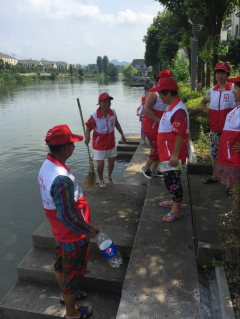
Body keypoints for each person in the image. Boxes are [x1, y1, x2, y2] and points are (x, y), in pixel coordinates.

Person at [38, 124, 101, 319]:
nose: (74, 147)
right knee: (72, 274)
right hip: (72, 235)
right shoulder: (61, 178)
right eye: (72, 144)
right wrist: (87, 230)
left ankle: (66, 296)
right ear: (66, 148)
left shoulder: (48, 165)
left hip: (60, 232)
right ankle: (72, 313)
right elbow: (66, 214)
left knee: (61, 265)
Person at [156, 78, 190, 222]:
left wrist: (175, 155)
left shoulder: (179, 111)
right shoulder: (171, 107)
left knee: (173, 180)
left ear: (168, 92)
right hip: (167, 153)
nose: (159, 97)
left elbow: (180, 135)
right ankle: (173, 201)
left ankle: (176, 209)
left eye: (161, 94)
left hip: (172, 155)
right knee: (168, 179)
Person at [200, 62, 235, 187]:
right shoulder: (212, 90)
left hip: (230, 130)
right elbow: (202, 102)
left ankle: (230, 184)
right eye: (218, 73)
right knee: (214, 154)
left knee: (229, 155)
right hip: (215, 128)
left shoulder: (233, 89)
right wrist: (206, 110)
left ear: (227, 74)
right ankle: (215, 176)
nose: (220, 76)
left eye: (223, 73)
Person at [85, 92, 126, 189]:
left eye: (108, 102)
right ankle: (100, 179)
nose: (107, 104)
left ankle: (109, 175)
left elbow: (116, 123)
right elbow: (88, 127)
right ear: (99, 103)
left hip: (111, 142)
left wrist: (122, 134)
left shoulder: (113, 113)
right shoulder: (94, 116)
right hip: (99, 144)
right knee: (101, 163)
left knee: (112, 162)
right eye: (104, 102)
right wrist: (87, 137)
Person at [216, 74, 240, 219]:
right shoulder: (237, 107)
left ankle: (235, 217)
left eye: (236, 87)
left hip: (236, 159)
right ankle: (234, 214)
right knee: (234, 189)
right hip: (230, 157)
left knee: (236, 189)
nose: (233, 91)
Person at [141, 70, 172, 179]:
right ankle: (146, 167)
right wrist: (160, 120)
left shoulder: (168, 92)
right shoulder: (153, 93)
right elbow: (146, 109)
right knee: (159, 150)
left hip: (162, 127)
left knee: (161, 149)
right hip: (151, 127)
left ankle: (155, 170)